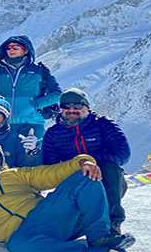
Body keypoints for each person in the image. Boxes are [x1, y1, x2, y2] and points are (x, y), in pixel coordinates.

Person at [0, 138, 134, 252]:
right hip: (20, 236)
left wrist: (81, 162)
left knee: (84, 176)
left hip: (47, 217)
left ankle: (99, 237)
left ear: (0, 158)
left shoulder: (14, 174)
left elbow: (50, 174)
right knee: (19, 249)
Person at [42, 88, 131, 234]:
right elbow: (49, 166)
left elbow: (123, 154)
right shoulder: (53, 133)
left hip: (105, 178)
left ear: (87, 108)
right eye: (66, 107)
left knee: (110, 168)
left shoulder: (103, 124)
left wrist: (90, 161)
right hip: (75, 179)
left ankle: (113, 224)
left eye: (77, 106)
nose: (72, 110)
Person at [0, 35, 61, 139]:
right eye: (8, 48)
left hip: (33, 123)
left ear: (26, 50)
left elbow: (57, 94)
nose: (11, 50)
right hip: (3, 124)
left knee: (33, 154)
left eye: (15, 47)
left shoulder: (39, 71)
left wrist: (35, 104)